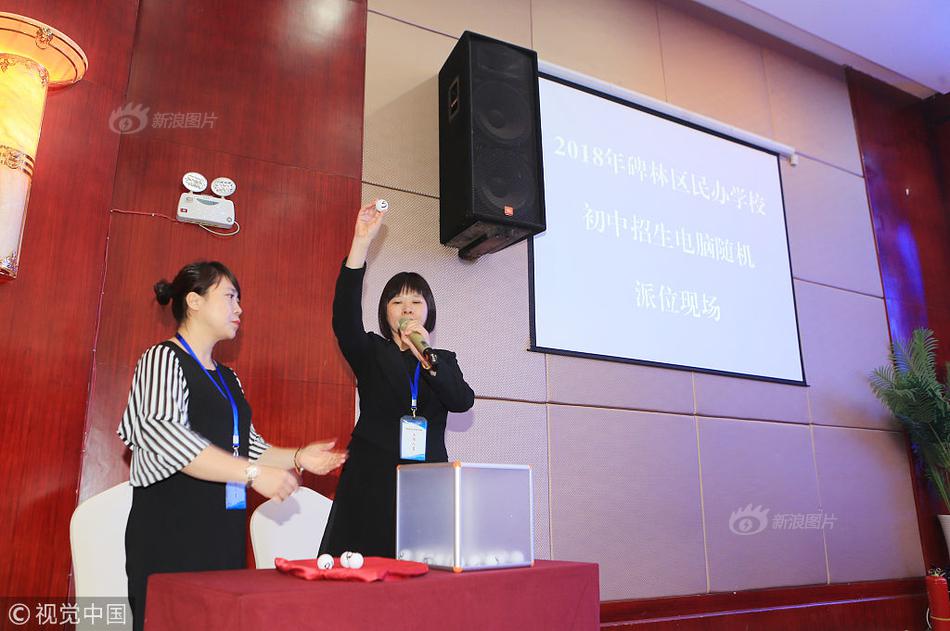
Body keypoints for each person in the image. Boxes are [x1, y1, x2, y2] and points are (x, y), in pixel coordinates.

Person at [118, 261, 347, 631]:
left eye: (239, 299)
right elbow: (167, 437)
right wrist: (253, 475)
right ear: (193, 301)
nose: (239, 308)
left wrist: (300, 457)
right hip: (171, 537)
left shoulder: (228, 378)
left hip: (221, 537)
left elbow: (248, 446)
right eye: (229, 297)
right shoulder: (162, 359)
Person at [319, 200, 475, 558]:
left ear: (428, 312)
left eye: (416, 302)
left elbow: (461, 400)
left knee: (423, 572)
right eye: (396, 302)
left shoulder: (442, 360)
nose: (407, 308)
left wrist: (428, 359)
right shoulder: (371, 351)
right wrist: (360, 245)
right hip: (372, 478)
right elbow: (344, 320)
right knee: (367, 572)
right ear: (385, 312)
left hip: (426, 481)